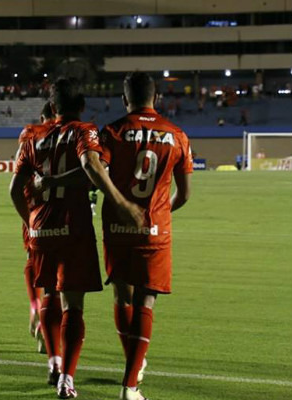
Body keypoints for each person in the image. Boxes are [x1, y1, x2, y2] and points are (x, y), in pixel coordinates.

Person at [12, 78, 143, 399]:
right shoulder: (85, 131)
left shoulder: (31, 135)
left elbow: (15, 190)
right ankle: (67, 378)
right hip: (74, 229)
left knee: (48, 297)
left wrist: (30, 222)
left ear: (52, 107)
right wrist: (121, 202)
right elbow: (91, 167)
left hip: (41, 228)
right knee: (74, 306)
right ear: (82, 106)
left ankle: (53, 362)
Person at [98, 72, 192, 400]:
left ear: (125, 100)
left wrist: (122, 206)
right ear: (158, 99)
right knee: (145, 302)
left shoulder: (112, 131)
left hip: (116, 228)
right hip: (155, 229)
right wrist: (161, 214)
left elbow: (96, 172)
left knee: (122, 297)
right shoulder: (177, 135)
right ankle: (130, 386)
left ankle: (133, 367)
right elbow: (184, 195)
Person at [15, 102, 60, 361]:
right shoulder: (72, 132)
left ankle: (35, 306)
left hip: (34, 206)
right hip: (64, 208)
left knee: (33, 259)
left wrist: (28, 215)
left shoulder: (30, 133)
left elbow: (18, 173)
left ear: (43, 116)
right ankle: (52, 330)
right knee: (61, 278)